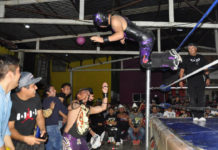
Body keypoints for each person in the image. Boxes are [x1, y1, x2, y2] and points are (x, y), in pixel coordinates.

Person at [91, 12, 182, 70]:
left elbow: (120, 34)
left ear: (103, 22)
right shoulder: (115, 16)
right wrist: (122, 38)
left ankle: (171, 61)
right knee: (147, 56)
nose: (102, 28)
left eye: (100, 26)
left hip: (145, 39)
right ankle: (169, 54)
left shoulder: (114, 22)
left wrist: (103, 39)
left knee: (145, 63)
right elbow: (124, 28)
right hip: (146, 36)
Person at [63, 82, 108, 150]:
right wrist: (81, 101)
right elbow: (70, 107)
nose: (88, 95)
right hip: (71, 138)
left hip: (82, 138)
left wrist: (105, 94)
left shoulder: (87, 108)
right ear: (79, 95)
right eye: (86, 93)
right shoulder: (76, 103)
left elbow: (103, 108)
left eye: (88, 94)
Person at [8, 72, 46, 150]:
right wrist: (25, 139)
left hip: (33, 138)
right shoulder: (10, 102)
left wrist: (42, 130)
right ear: (23, 88)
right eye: (33, 86)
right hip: (16, 143)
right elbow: (9, 128)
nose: (36, 88)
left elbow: (39, 116)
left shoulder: (36, 98)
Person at [179, 43, 210, 121]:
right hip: (191, 81)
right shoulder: (185, 58)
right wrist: (181, 80)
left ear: (196, 48)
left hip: (200, 80)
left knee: (201, 98)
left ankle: (201, 115)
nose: (190, 50)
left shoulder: (201, 57)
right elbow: (182, 70)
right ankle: (195, 115)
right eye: (189, 49)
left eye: (192, 48)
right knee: (193, 99)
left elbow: (205, 69)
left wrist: (207, 78)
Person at [0, 55, 20, 150]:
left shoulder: (7, 96)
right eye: (19, 71)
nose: (20, 75)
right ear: (10, 75)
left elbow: (4, 130)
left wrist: (12, 148)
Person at [42, 85, 67, 150]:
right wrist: (65, 117)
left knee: (49, 146)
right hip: (54, 126)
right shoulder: (55, 99)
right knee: (59, 146)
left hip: (46, 126)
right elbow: (61, 110)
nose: (55, 91)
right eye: (53, 90)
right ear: (48, 92)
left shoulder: (45, 100)